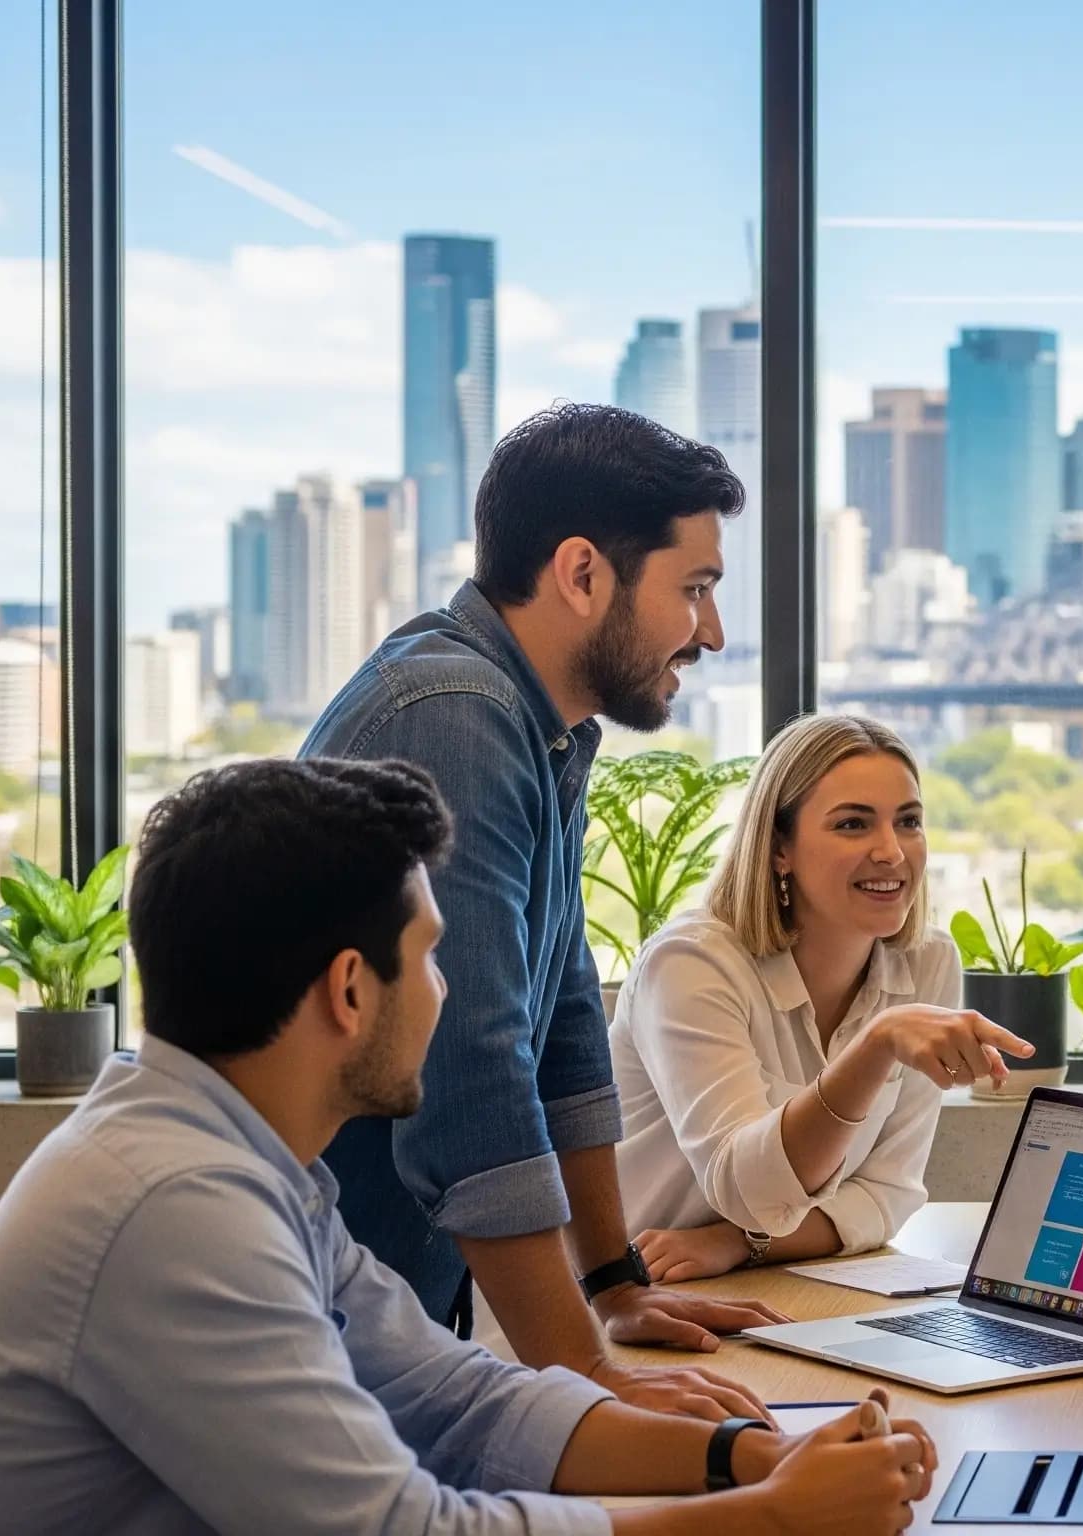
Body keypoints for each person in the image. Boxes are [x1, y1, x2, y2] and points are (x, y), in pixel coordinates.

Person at [0, 759, 937, 1535]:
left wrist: (758, 1456)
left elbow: (458, 1401)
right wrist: (769, 1515)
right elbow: (399, 1527)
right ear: (348, 990)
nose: (448, 993)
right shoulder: (173, 1208)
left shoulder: (240, 1165)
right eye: (429, 957)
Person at [302, 403, 783, 1423]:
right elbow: (470, 1076)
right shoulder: (454, 717)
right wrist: (587, 1377)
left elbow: (562, 1023)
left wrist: (613, 1285)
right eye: (694, 589)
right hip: (305, 1318)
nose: (711, 632)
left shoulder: (535, 728)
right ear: (581, 574)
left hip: (377, 1310)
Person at [612, 713, 1032, 1282]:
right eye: (853, 824)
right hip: (634, 1294)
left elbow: (886, 1195)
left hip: (773, 1281)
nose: (892, 851)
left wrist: (736, 1245)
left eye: (908, 822)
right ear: (778, 848)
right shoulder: (690, 963)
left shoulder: (929, 961)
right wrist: (876, 1046)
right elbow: (747, 1189)